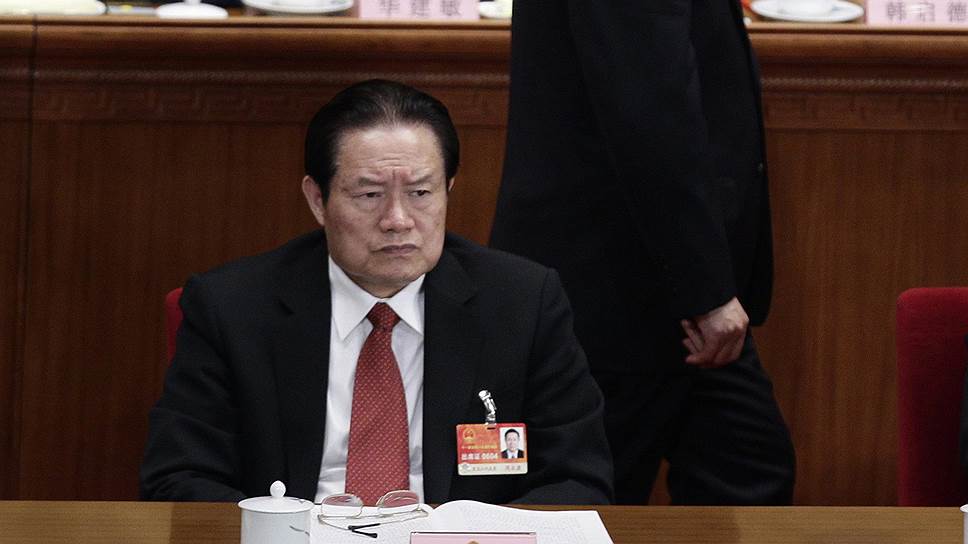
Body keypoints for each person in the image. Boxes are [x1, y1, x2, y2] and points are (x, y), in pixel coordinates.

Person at [140, 79, 612, 506]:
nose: (398, 220)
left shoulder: (523, 303)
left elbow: (577, 478)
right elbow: (179, 479)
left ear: (448, 189)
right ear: (318, 200)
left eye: (421, 193)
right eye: (369, 195)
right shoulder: (232, 307)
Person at [489, 2, 795, 505]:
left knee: (746, 469)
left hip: (649, 280)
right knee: (593, 498)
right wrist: (706, 292)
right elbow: (650, 107)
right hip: (621, 281)